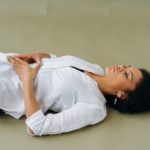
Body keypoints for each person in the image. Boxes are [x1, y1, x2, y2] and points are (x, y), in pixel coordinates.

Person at [0, 52, 150, 136]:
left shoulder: (94, 108)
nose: (120, 67)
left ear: (122, 95)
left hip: (7, 89)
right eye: (126, 66)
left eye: (126, 75)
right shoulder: (95, 68)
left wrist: (27, 79)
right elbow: (55, 60)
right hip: (6, 62)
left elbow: (37, 126)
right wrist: (35, 56)